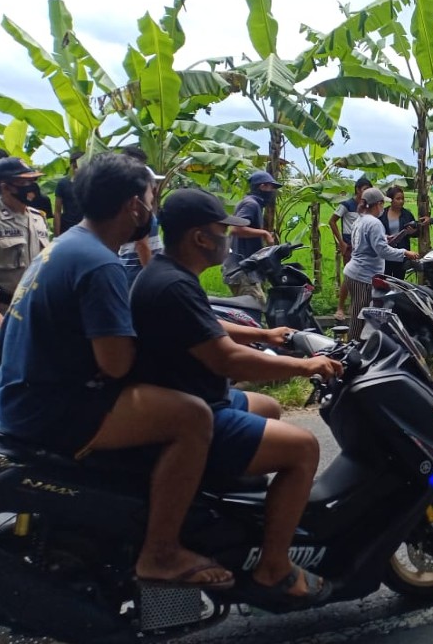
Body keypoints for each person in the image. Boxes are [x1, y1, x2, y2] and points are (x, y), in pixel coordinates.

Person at [0, 153, 233, 590]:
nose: (152, 207)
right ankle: (161, 552)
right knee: (192, 416)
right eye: (148, 196)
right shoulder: (100, 263)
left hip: (22, 396)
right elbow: (116, 363)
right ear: (133, 207)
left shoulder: (68, 246)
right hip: (54, 408)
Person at [130, 188, 343, 606]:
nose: (228, 238)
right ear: (200, 238)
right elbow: (226, 359)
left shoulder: (165, 271)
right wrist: (305, 365)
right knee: (303, 449)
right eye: (221, 230)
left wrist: (264, 334)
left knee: (269, 407)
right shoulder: (172, 284)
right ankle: (274, 568)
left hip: (194, 396)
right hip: (197, 411)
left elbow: (207, 324)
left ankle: (238, 513)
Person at [0, 158, 51, 406]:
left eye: (33, 180)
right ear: (5, 187)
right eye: (24, 182)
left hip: (29, 314)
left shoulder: (37, 218)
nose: (32, 186)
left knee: (26, 378)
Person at [344, 187, 419, 340]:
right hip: (362, 276)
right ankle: (352, 351)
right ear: (377, 204)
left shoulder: (361, 218)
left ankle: (357, 347)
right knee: (360, 317)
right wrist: (404, 252)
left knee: (358, 312)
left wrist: (385, 238)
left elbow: (371, 242)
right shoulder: (374, 223)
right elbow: (382, 251)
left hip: (354, 272)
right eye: (382, 203)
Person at [222, 170, 281, 304]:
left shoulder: (252, 203)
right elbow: (236, 229)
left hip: (244, 268)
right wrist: (264, 233)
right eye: (271, 187)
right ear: (262, 186)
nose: (272, 191)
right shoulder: (251, 204)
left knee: (252, 309)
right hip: (241, 269)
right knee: (256, 307)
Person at [118, 146, 165, 287]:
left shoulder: (124, 201)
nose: (155, 186)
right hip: (137, 271)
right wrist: (152, 277)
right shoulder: (139, 207)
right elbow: (142, 245)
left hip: (130, 268)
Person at [330, 177, 372, 321]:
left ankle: (354, 305)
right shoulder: (347, 205)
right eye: (364, 189)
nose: (366, 193)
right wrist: (341, 242)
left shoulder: (367, 207)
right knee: (349, 276)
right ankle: (340, 307)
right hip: (349, 244)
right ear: (357, 190)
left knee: (362, 276)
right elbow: (332, 221)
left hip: (364, 245)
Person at [379, 185, 417, 280]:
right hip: (385, 253)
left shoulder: (407, 215)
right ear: (391, 200)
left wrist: (413, 232)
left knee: (399, 281)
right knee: (384, 280)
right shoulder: (382, 214)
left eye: (402, 198)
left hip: (401, 254)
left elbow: (417, 232)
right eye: (398, 199)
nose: (401, 201)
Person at [54, 151, 85, 236]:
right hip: (67, 228)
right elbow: (57, 211)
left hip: (86, 229)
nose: (76, 169)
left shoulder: (90, 184)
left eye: (79, 166)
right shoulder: (63, 184)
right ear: (71, 166)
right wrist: (57, 235)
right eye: (74, 166)